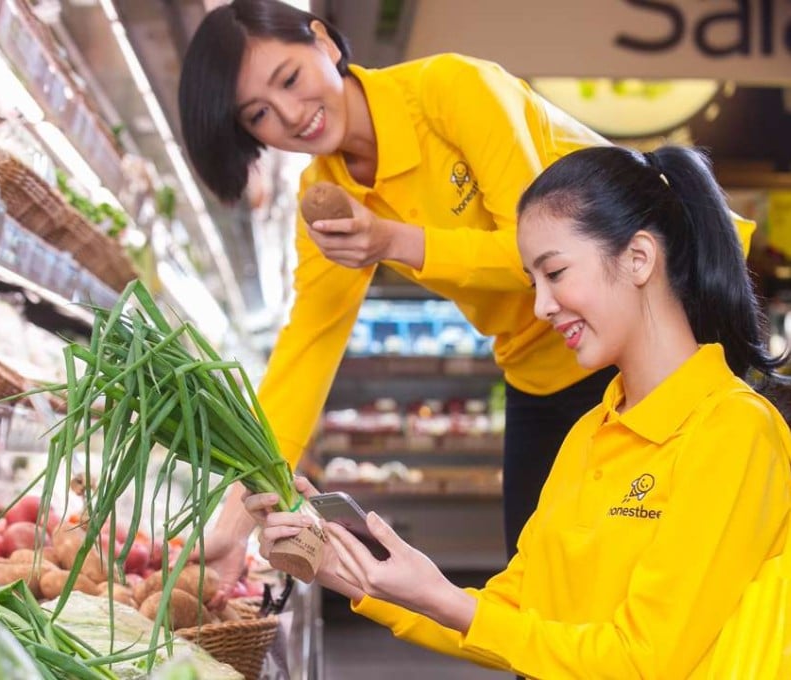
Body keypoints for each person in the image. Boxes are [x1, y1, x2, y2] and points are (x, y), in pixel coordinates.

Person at [177, 0, 753, 599]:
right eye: (260, 115)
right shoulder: (323, 196)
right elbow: (305, 355)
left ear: (323, 41)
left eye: (290, 79)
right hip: (540, 371)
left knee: (675, 585)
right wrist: (233, 523)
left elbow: (539, 254)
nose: (291, 115)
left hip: (656, 342)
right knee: (537, 590)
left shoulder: (450, 90)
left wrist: (396, 240)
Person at [246, 144, 791, 677]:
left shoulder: (733, 430)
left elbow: (644, 659)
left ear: (639, 258)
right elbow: (514, 616)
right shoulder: (589, 433)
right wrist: (336, 562)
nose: (541, 307)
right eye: (534, 281)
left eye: (555, 273)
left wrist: (450, 602)